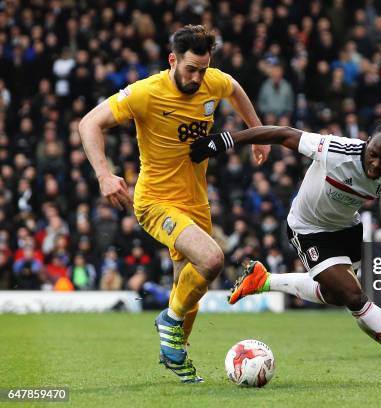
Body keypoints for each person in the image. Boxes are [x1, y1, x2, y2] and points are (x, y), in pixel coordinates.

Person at [79, 25, 269, 383]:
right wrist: (104, 175)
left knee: (190, 288)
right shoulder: (146, 93)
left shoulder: (213, 81)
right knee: (212, 259)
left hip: (196, 202)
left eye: (203, 69)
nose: (197, 78)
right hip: (155, 201)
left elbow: (236, 89)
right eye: (190, 69)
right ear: (172, 60)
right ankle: (168, 320)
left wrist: (257, 133)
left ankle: (177, 356)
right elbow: (89, 123)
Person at [190, 122, 381, 387]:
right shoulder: (335, 150)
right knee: (354, 297)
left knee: (336, 296)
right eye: (373, 153)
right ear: (367, 142)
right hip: (308, 229)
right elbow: (283, 134)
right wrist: (226, 140)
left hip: (347, 230)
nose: (375, 164)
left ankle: (264, 280)